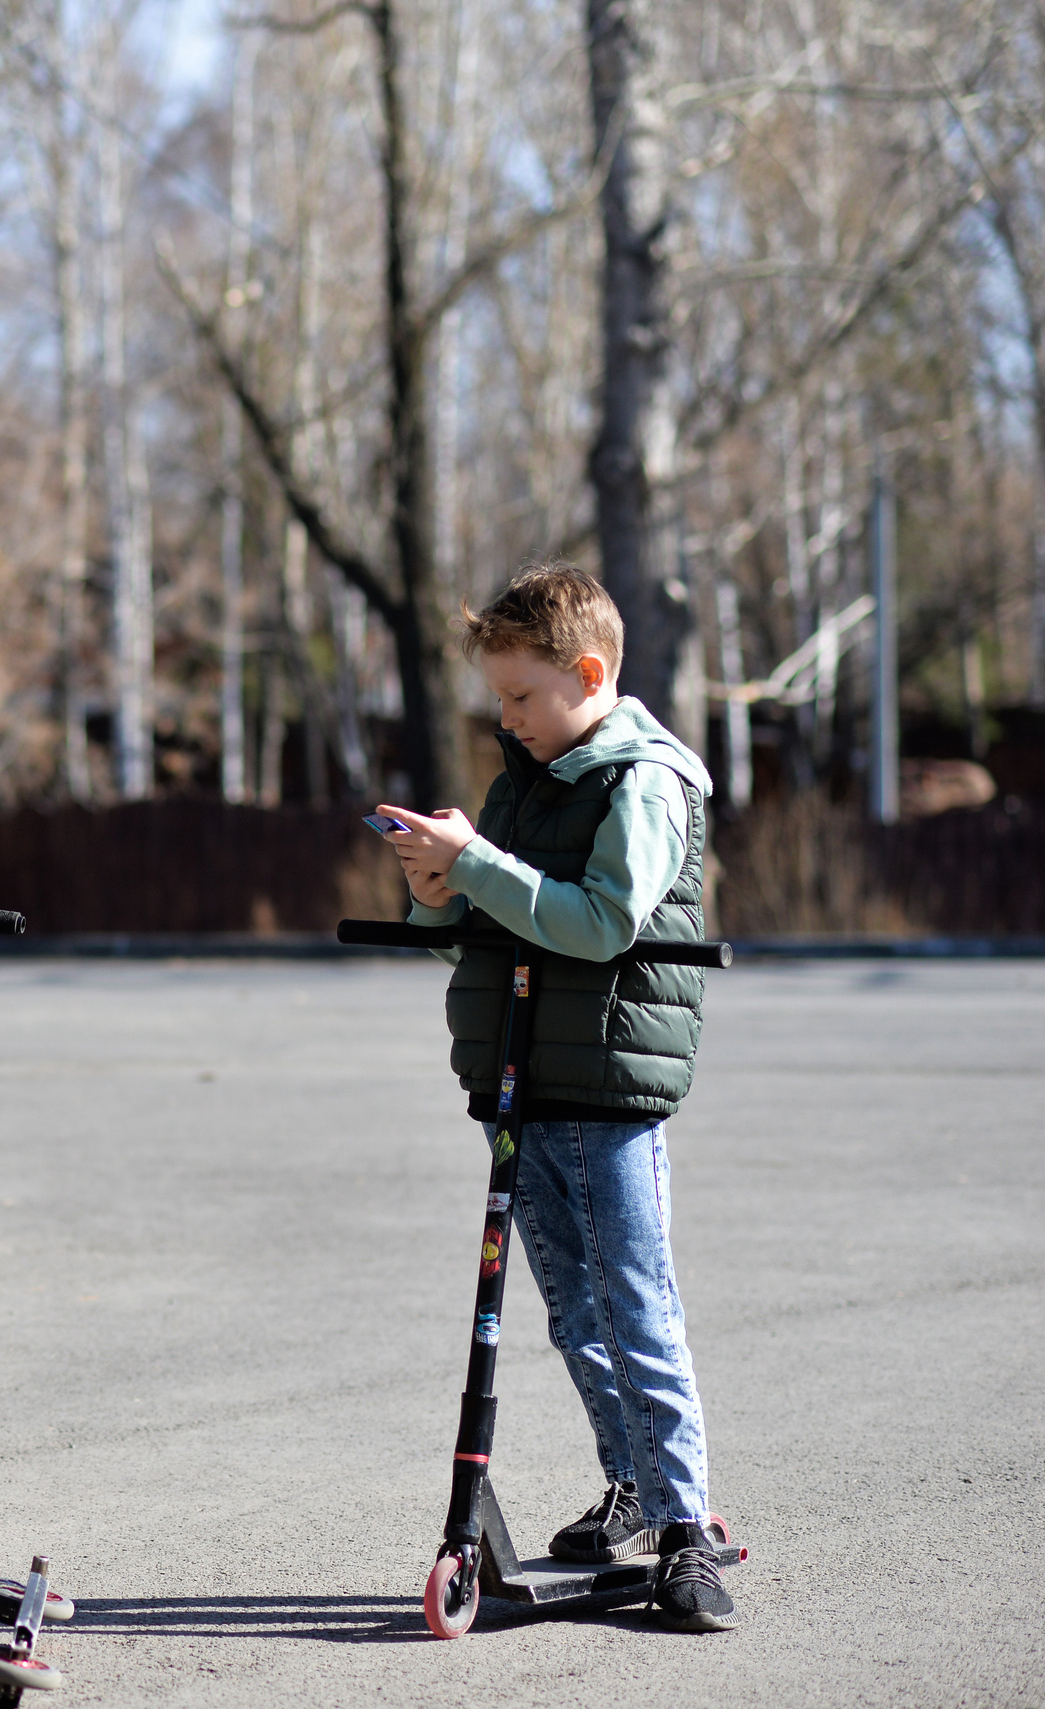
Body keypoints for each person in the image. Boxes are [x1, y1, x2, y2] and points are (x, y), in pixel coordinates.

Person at [373, 563, 738, 1633]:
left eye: (522, 695)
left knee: (636, 1306)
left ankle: (686, 1529)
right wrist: (434, 882)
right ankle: (629, 1481)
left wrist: (476, 861)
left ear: (587, 674)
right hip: (517, 1080)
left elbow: (597, 921)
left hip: (604, 1083)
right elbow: (478, 919)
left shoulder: (645, 780)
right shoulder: (523, 779)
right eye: (497, 697)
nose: (506, 715)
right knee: (574, 1310)